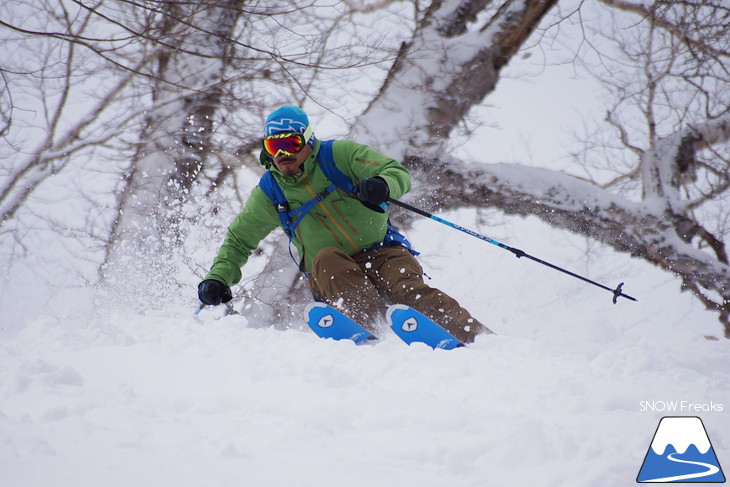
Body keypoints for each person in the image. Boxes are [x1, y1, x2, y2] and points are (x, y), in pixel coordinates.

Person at [198, 105, 490, 343]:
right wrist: (218, 278)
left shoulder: (338, 156)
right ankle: (371, 330)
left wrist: (381, 184)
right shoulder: (271, 191)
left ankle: (480, 341)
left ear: (308, 141)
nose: (283, 154)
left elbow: (395, 171)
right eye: (275, 145)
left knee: (406, 290)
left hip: (384, 251)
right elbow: (239, 239)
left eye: (291, 143)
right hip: (332, 271)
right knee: (326, 257)